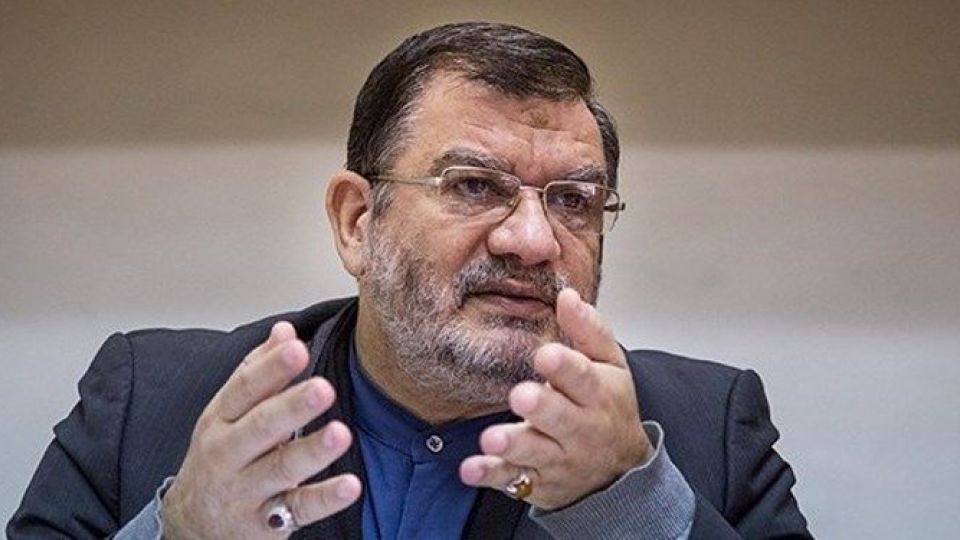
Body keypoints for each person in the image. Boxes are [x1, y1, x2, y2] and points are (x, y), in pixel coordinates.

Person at [8, 22, 810, 539]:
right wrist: (178, 532)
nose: (534, 241)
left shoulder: (705, 429)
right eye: (474, 185)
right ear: (357, 222)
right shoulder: (150, 405)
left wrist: (628, 505)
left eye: (573, 200)